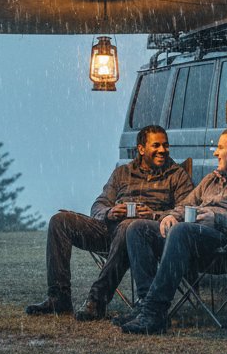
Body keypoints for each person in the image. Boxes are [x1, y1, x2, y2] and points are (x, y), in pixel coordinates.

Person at [119, 126, 227, 335]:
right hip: (193, 244)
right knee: (138, 228)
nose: (215, 152)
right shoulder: (211, 180)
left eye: (220, 147)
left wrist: (218, 219)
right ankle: (144, 306)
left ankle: (154, 313)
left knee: (181, 231)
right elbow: (185, 206)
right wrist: (171, 216)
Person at [24, 125, 194, 320]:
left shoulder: (176, 175)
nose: (162, 150)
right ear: (141, 149)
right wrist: (110, 212)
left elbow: (185, 208)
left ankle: (97, 300)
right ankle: (58, 297)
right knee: (60, 221)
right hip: (109, 230)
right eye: (156, 145)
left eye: (165, 145)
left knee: (128, 226)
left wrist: (155, 215)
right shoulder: (123, 173)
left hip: (146, 236)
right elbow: (99, 204)